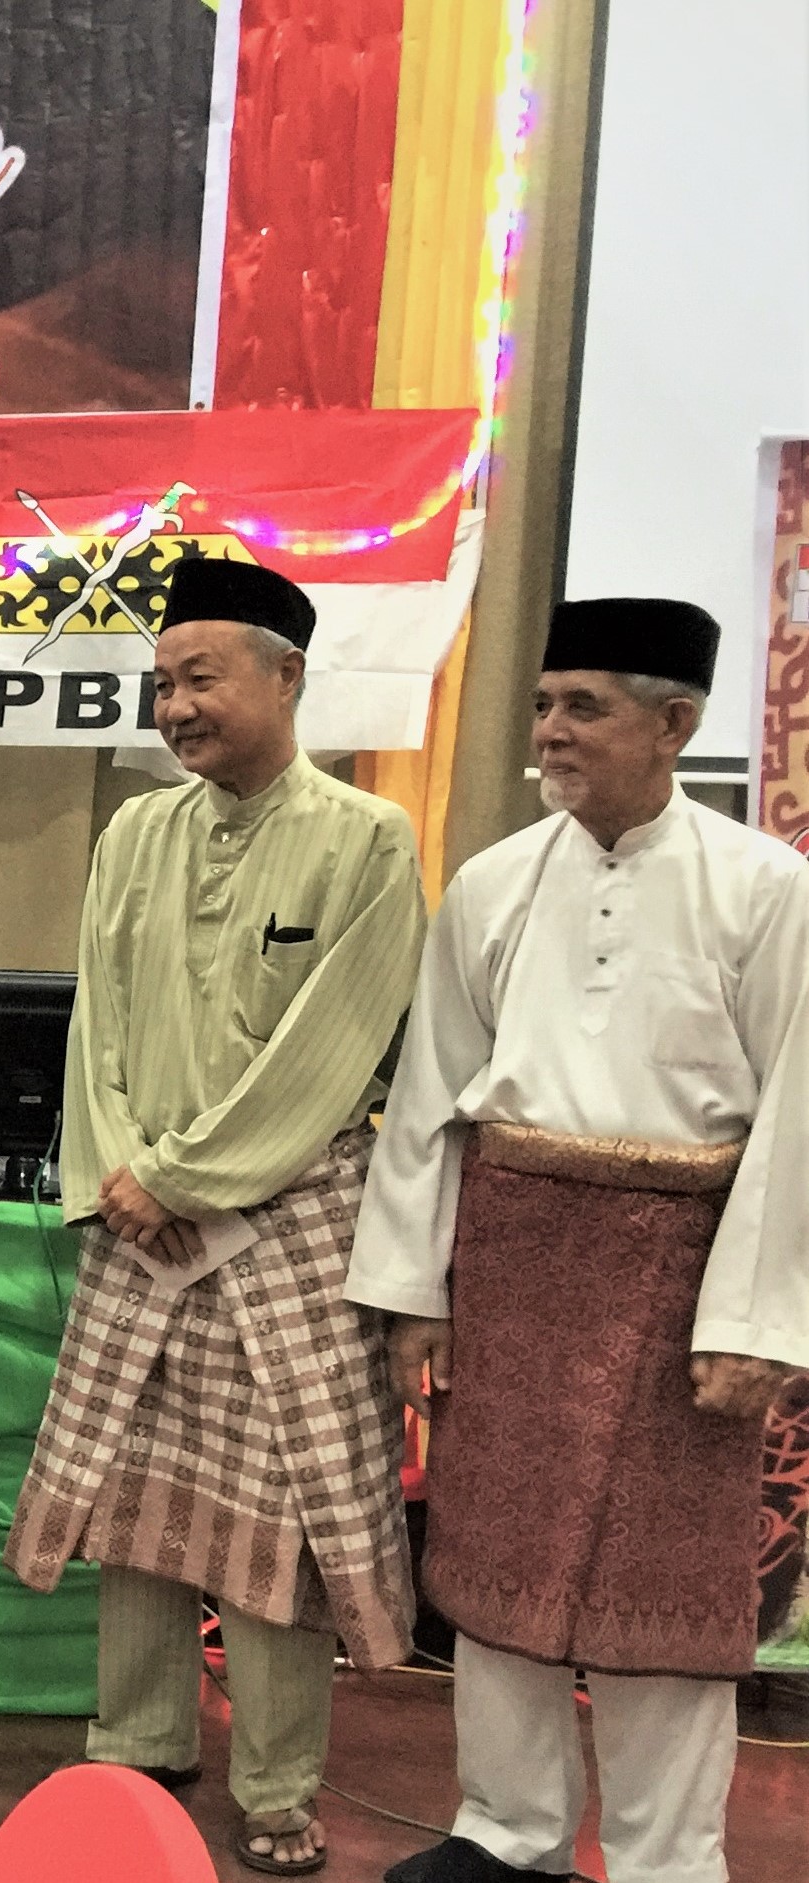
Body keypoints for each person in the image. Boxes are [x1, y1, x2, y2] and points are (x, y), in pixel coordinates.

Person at [350, 599, 807, 1883]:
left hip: (679, 1281)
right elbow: (429, 1097)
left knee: (664, 1591)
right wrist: (413, 1289)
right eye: (544, 704)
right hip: (514, 1268)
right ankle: (507, 1836)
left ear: (675, 723)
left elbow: (796, 1115)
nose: (547, 730)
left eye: (583, 707)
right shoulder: (493, 882)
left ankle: (667, 1860)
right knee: (491, 1563)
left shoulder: (766, 889)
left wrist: (751, 1320)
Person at [5, 557, 427, 1878]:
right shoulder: (134, 832)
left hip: (284, 1233)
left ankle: (277, 1788)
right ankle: (132, 1744)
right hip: (141, 1227)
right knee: (134, 1506)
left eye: (198, 677)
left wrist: (181, 1179)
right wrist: (120, 1174)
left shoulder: (365, 839)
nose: (174, 706)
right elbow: (98, 1028)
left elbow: (333, 1044)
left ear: (283, 675)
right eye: (161, 682)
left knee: (272, 1529)